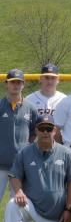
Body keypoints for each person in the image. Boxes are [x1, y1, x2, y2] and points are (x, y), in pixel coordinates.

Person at [1, 115, 71, 222]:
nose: (45, 132)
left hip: (52, 212)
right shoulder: (25, 152)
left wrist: (68, 209)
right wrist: (18, 192)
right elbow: (14, 175)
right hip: (30, 204)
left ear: (54, 131)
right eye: (42, 128)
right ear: (36, 131)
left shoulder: (66, 153)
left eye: (48, 128)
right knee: (12, 205)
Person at [0, 69, 37, 199]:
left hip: (21, 164)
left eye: (18, 82)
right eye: (12, 82)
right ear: (6, 84)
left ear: (23, 84)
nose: (15, 85)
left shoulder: (31, 108)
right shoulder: (0, 105)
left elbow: (33, 134)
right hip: (1, 164)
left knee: (17, 204)